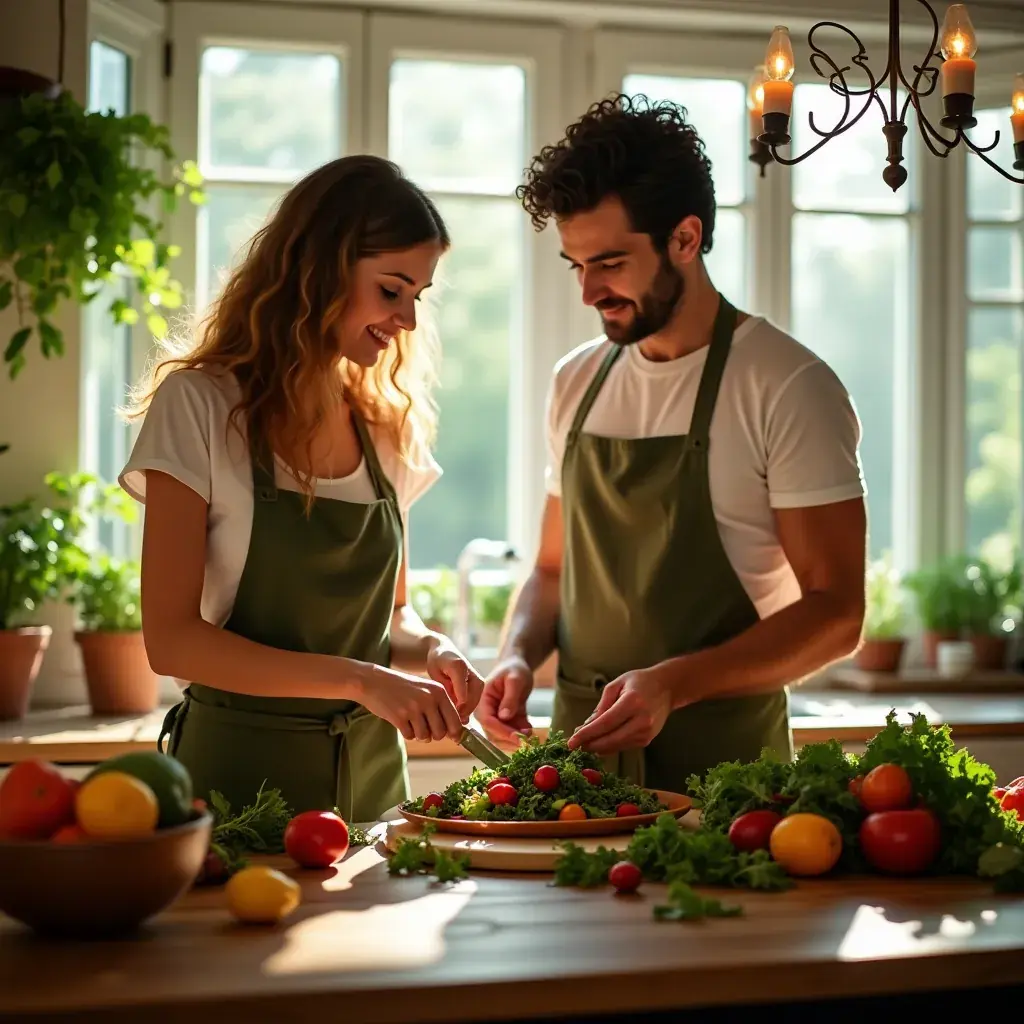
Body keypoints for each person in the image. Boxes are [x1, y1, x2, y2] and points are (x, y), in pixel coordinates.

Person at [476, 94, 868, 788]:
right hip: (579, 776)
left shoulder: (787, 385)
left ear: (685, 239)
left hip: (729, 780)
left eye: (610, 263)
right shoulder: (576, 380)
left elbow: (837, 615)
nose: (589, 291)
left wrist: (673, 684)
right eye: (576, 265)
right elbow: (553, 571)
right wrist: (515, 656)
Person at [119, 155, 485, 821]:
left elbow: (393, 615)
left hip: (374, 790)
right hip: (238, 788)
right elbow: (171, 640)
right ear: (319, 269)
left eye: (418, 296)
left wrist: (435, 648)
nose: (407, 319)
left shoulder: (385, 428)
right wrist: (361, 680)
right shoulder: (199, 406)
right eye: (391, 290)